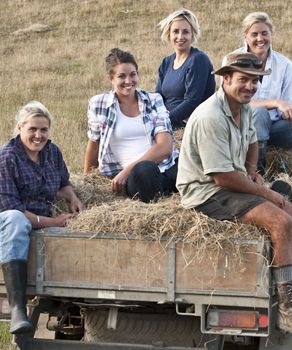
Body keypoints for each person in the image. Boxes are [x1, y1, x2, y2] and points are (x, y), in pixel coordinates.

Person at [176, 52, 292, 340]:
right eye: (243, 80)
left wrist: (251, 170)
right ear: (226, 79)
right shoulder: (210, 115)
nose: (250, 86)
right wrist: (267, 193)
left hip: (233, 184)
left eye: (255, 81)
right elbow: (222, 177)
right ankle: (289, 310)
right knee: (281, 222)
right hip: (206, 192)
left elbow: (252, 142)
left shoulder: (244, 108)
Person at [0, 101, 85, 334]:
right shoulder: (7, 157)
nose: (39, 135)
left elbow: (62, 183)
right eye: (32, 129)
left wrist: (73, 198)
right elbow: (11, 207)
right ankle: (18, 308)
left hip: (41, 221)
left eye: (44, 130)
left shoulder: (52, 151)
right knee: (16, 219)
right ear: (20, 128)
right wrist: (54, 222)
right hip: (8, 225)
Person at [224, 12, 292, 174]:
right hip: (241, 129)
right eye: (254, 34)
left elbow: (288, 105)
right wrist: (276, 103)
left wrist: (291, 112)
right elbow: (232, 102)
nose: (260, 39)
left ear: (272, 34)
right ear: (245, 36)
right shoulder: (232, 60)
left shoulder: (284, 64)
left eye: (264, 33)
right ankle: (257, 173)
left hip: (273, 129)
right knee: (259, 112)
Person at [84, 48, 179, 203]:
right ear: (111, 79)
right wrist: (86, 184)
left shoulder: (154, 100)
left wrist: (126, 171)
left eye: (132, 74)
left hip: (167, 168)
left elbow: (165, 147)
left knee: (193, 168)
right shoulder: (99, 104)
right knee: (145, 170)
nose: (128, 81)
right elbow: (94, 145)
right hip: (139, 176)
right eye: (121, 76)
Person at [156, 9, 216, 129]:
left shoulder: (198, 60)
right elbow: (158, 98)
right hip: (168, 123)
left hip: (189, 125)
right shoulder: (166, 63)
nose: (180, 37)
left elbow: (191, 103)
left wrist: (165, 121)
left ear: (193, 34)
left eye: (185, 32)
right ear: (169, 34)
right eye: (175, 31)